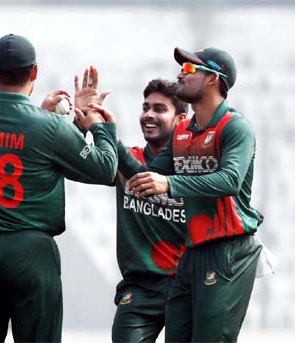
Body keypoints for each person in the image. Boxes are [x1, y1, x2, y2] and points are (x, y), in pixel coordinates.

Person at [92, 46, 263, 343]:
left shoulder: (235, 126)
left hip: (229, 249)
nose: (179, 74)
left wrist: (170, 184)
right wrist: (105, 130)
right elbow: (147, 177)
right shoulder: (183, 133)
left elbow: (230, 181)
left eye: (188, 70)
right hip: (192, 252)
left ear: (212, 79)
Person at [0, 34, 118, 343]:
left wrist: (47, 117)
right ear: (35, 72)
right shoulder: (48, 127)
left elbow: (26, 147)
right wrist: (97, 124)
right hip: (31, 251)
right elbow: (105, 169)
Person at [111, 79, 187, 343]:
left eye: (159, 108)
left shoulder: (193, 167)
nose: (149, 115)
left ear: (181, 119)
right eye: (145, 107)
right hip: (139, 288)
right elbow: (78, 162)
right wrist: (81, 121)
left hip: (185, 287)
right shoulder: (125, 159)